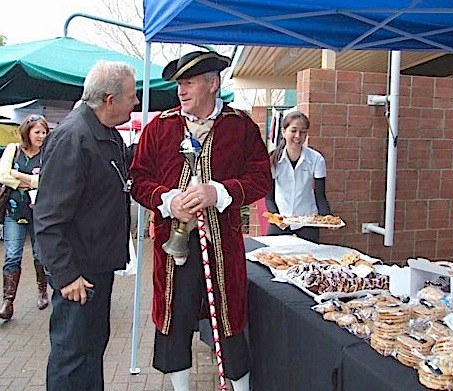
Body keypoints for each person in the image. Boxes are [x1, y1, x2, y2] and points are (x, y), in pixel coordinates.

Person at [130, 50, 272, 391]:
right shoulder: (159, 128)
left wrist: (220, 192)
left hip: (223, 245)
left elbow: (261, 179)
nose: (181, 91)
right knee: (175, 320)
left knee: (229, 320)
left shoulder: (241, 127)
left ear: (213, 83)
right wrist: (167, 200)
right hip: (173, 248)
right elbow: (138, 179)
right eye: (179, 84)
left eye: (189, 83)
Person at [33, 60, 139, 391]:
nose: (135, 102)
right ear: (110, 100)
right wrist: (66, 276)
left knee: (91, 351)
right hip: (77, 275)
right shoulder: (73, 138)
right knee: (72, 357)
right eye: (132, 96)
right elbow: (49, 217)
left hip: (97, 269)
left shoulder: (105, 134)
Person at [0, 114, 50, 320]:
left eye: (44, 132)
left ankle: (42, 290)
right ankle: (8, 301)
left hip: (39, 214)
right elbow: (2, 174)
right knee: (12, 255)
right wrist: (30, 181)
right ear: (27, 132)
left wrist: (19, 176)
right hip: (14, 211)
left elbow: (45, 180)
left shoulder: (48, 153)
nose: (41, 136)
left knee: (39, 255)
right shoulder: (13, 149)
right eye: (37, 132)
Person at [265, 111, 331, 243]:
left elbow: (320, 196)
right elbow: (269, 197)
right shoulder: (272, 160)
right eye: (293, 130)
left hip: (307, 220)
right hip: (281, 219)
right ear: (284, 132)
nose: (298, 136)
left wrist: (327, 217)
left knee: (310, 258)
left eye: (303, 132)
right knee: (272, 257)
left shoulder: (316, 159)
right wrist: (276, 216)